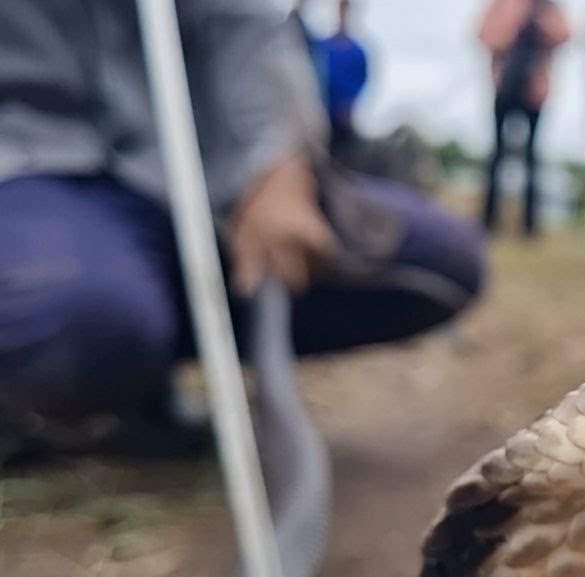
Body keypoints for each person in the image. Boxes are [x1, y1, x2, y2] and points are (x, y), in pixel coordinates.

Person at [0, 0, 486, 463]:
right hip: (29, 174)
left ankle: (130, 342)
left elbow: (246, 22)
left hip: (204, 173)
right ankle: (67, 387)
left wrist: (276, 161)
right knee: (78, 310)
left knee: (444, 261)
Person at [476, 0, 572, 238]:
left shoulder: (547, 6)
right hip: (504, 88)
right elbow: (484, 36)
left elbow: (565, 35)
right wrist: (513, 24)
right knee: (497, 154)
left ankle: (530, 225)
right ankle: (488, 221)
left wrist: (540, 24)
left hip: (536, 91)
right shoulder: (500, 4)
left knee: (533, 157)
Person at [315, 0, 370, 157]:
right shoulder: (322, 47)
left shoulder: (357, 52)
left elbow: (361, 80)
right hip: (322, 117)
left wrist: (349, 104)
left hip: (344, 121)